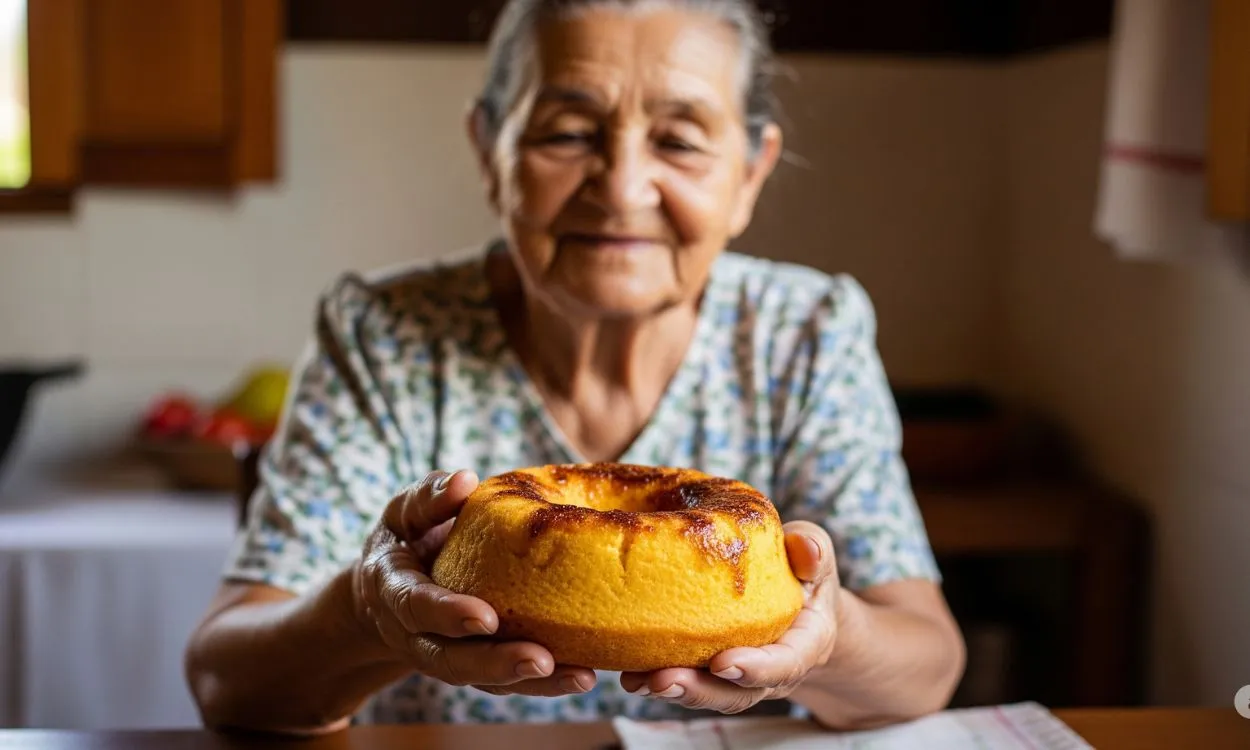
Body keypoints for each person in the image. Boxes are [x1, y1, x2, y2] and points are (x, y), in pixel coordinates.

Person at [184, 0, 965, 734]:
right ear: (490, 150)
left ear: (750, 174)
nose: (621, 189)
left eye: (679, 141)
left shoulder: (804, 334)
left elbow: (927, 667)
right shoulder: (385, 335)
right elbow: (227, 681)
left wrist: (827, 635)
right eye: (566, 134)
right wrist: (366, 612)